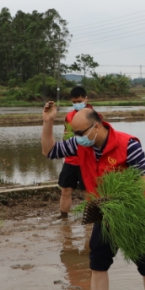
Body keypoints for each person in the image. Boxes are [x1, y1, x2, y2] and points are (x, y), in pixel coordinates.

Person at [40, 103, 145, 290]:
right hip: (104, 215)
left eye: (79, 132)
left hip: (132, 213)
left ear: (96, 127)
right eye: (74, 133)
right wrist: (48, 122)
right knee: (97, 264)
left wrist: (119, 199)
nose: (76, 137)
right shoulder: (81, 144)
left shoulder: (127, 144)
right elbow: (49, 151)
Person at [58, 86, 91, 217]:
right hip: (71, 160)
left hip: (87, 160)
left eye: (79, 101)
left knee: (88, 191)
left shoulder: (93, 115)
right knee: (65, 190)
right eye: (74, 102)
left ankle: (91, 219)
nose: (77, 104)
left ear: (85, 99)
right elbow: (65, 134)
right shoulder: (69, 116)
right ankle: (63, 217)